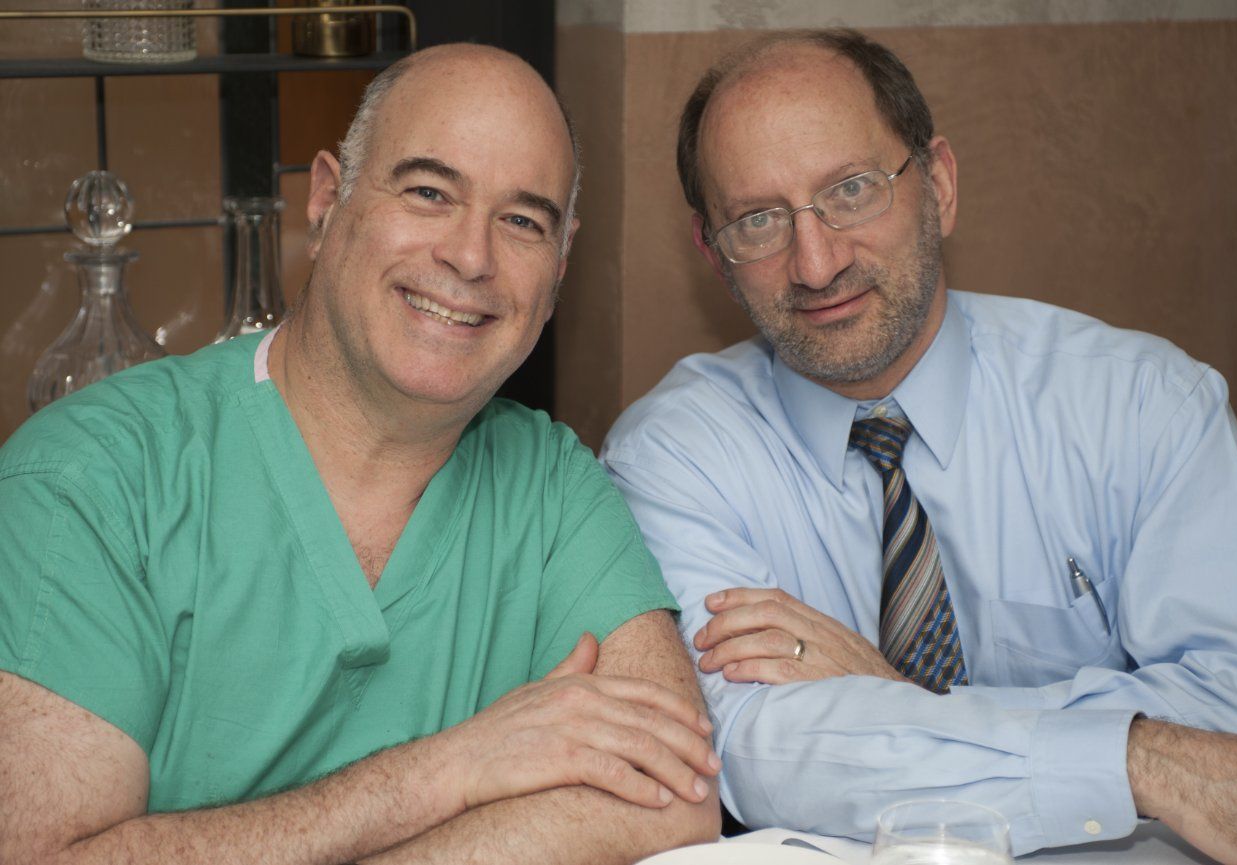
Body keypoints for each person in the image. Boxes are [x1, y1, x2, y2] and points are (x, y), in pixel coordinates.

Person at [0, 44, 722, 865]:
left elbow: (673, 798)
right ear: (328, 197)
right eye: (427, 191)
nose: (471, 257)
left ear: (559, 266)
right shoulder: (91, 480)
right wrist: (449, 769)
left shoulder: (552, 487)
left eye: (522, 221)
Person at [601, 28, 1237, 864]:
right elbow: (754, 751)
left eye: (853, 190)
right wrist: (1134, 754)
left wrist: (888, 700)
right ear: (714, 255)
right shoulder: (673, 453)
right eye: (758, 220)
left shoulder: (1143, 404)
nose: (816, 264)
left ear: (938, 184)